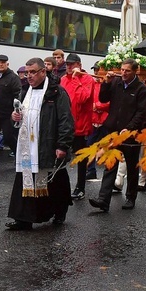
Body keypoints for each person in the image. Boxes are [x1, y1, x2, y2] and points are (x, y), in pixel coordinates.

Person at [7, 57, 74, 230]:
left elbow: (66, 120)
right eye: (27, 73)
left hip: (48, 144)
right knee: (25, 178)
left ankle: (59, 211)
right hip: (28, 146)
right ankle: (24, 218)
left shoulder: (57, 92)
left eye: (33, 72)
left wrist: (62, 145)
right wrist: (15, 117)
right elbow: (20, 116)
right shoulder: (24, 91)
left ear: (43, 72)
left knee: (55, 180)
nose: (28, 76)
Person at [89, 58, 146, 212]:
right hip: (113, 131)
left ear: (135, 71)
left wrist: (130, 128)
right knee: (110, 165)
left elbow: (141, 113)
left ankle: (130, 197)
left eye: (127, 70)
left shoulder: (141, 89)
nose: (123, 73)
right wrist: (106, 83)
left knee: (131, 165)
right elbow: (103, 98)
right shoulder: (116, 83)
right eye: (122, 69)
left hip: (130, 134)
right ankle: (103, 199)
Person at [59, 53, 94, 200]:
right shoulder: (62, 79)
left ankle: (80, 187)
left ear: (79, 65)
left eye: (71, 64)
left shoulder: (87, 79)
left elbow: (82, 98)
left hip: (80, 125)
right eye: (67, 64)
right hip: (65, 124)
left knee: (80, 158)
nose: (68, 67)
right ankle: (59, 187)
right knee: (60, 156)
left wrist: (75, 79)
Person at [0, 54, 22, 168]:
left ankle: (19, 155)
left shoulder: (13, 77)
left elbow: (18, 93)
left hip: (8, 113)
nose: (0, 64)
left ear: (7, 64)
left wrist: (16, 109)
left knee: (8, 137)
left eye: (3, 62)